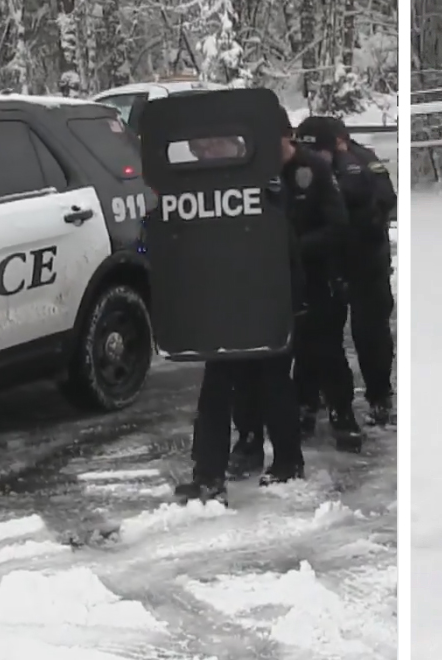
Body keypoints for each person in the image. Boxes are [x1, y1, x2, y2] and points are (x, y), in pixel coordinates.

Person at [174, 107, 328, 503]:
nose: (208, 152)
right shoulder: (202, 186)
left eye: (215, 145)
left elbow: (284, 243)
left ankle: (287, 461)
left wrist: (292, 299)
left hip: (267, 295)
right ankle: (209, 473)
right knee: (217, 390)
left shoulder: (266, 181)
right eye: (202, 147)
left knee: (274, 382)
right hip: (225, 300)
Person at [297, 116, 396, 427]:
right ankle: (315, 396)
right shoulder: (306, 167)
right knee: (320, 333)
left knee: (370, 332)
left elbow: (384, 201)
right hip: (329, 261)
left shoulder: (362, 163)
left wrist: (352, 219)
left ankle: (379, 395)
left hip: (366, 260)